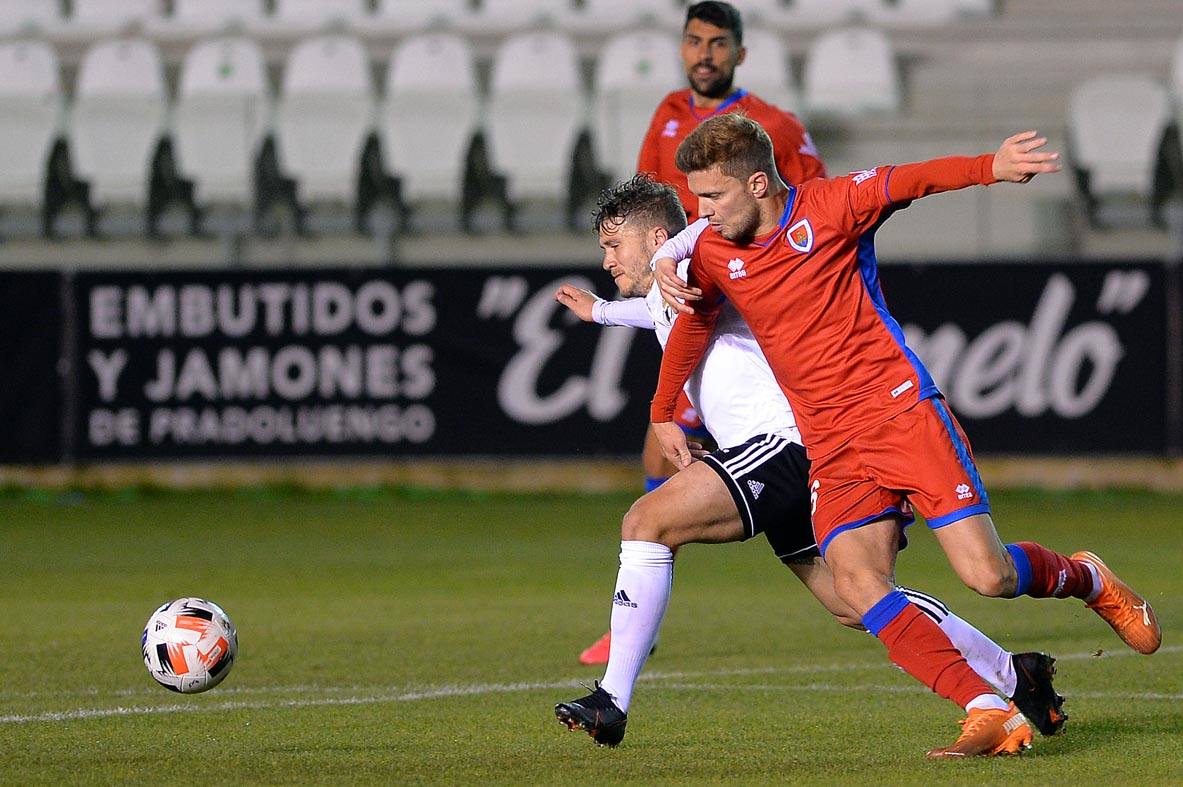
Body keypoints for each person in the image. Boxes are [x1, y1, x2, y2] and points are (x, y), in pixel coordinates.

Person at [648, 114, 1161, 757]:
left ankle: (1085, 578)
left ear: (757, 182)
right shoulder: (714, 250)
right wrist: (663, 409)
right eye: (696, 197)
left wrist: (988, 167)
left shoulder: (833, 206)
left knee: (990, 578)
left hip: (902, 415)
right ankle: (985, 709)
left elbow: (910, 181)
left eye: (713, 197)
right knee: (857, 585)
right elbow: (694, 321)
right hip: (830, 445)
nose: (702, 212)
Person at [552, 174, 1064, 752]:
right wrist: (600, 313)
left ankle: (613, 700)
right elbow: (656, 312)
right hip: (773, 451)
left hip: (782, 444)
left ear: (658, 237)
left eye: (613, 245)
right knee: (855, 602)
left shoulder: (704, 259)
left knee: (646, 523)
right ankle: (1012, 673)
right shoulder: (675, 289)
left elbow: (696, 255)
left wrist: (676, 258)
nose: (606, 259)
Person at [580, 0, 826, 667]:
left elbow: (813, 213)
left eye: (718, 43)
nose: (704, 54)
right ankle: (638, 612)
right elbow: (643, 200)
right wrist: (620, 292)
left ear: (739, 53)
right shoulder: (666, 113)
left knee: (680, 458)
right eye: (694, 42)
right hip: (684, 302)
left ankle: (638, 611)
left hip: (735, 307)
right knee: (661, 455)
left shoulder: (774, 125)